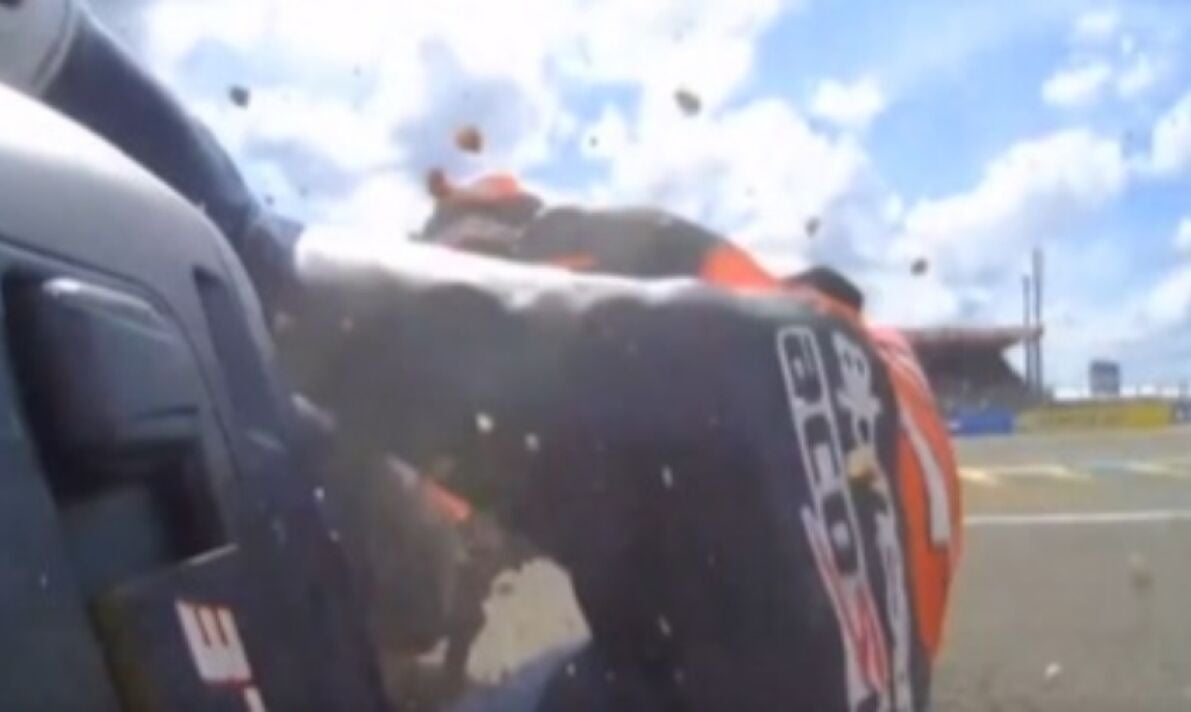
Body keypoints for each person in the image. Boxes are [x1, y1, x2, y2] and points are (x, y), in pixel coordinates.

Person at [0, 3, 962, 711]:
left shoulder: (546, 242)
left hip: (773, 423)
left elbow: (412, 502)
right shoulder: (748, 313)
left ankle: (37, 34)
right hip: (852, 597)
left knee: (268, 278)